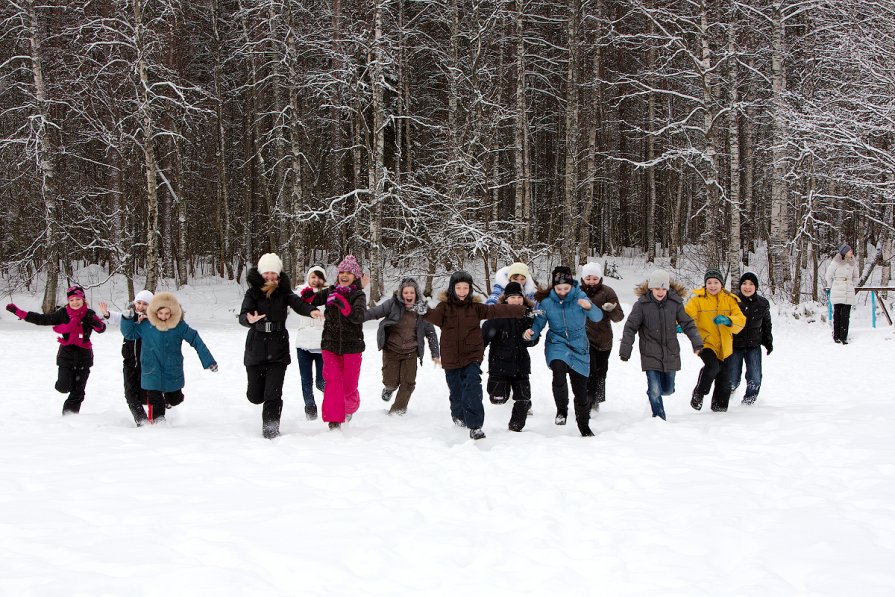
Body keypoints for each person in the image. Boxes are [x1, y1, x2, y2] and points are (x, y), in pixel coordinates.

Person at [423, 270, 525, 440]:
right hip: (451, 358)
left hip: (472, 356)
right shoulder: (444, 308)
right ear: (452, 289)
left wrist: (519, 310)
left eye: (465, 288)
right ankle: (458, 416)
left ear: (470, 289)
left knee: (472, 388)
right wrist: (421, 309)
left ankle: (476, 426)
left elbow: (496, 311)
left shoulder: (476, 308)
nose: (462, 291)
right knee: (456, 393)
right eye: (459, 288)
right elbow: (431, 316)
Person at [240, 253, 322, 438]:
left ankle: (271, 429)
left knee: (273, 393)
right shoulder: (252, 292)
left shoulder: (284, 292)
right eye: (266, 273)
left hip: (278, 348)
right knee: (255, 396)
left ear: (278, 274)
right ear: (261, 274)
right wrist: (248, 318)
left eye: (273, 273)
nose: (270, 277)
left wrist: (312, 311)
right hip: (256, 347)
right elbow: (243, 315)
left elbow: (298, 304)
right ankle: (256, 397)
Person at [524, 266, 604, 437]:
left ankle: (584, 425)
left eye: (566, 289)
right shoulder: (546, 302)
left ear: (571, 286)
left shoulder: (580, 297)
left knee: (580, 388)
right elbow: (538, 324)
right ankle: (562, 410)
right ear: (553, 287)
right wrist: (531, 334)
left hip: (579, 345)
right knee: (558, 372)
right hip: (557, 342)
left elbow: (597, 317)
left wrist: (589, 307)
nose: (562, 292)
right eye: (558, 289)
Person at [6, 285, 106, 415]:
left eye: (77, 299)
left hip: (84, 357)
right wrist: (20, 313)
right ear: (68, 301)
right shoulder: (63, 314)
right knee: (64, 387)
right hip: (66, 357)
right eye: (72, 300)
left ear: (83, 299)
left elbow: (101, 329)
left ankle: (69, 418)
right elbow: (42, 319)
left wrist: (97, 323)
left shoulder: (89, 314)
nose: (75, 302)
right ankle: (65, 388)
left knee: (78, 392)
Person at [618, 270, 703, 420]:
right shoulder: (641, 305)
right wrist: (625, 349)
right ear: (651, 288)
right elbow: (630, 327)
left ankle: (653, 393)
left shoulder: (675, 303)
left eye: (664, 289)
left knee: (668, 389)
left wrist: (696, 342)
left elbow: (687, 323)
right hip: (649, 352)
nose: (660, 292)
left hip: (670, 352)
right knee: (655, 389)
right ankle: (659, 419)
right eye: (657, 288)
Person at [121, 292, 217, 423]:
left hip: (172, 368)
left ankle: (169, 401)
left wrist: (208, 361)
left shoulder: (178, 326)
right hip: (151, 370)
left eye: (167, 314)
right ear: (155, 312)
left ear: (172, 313)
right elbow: (129, 333)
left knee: (175, 399)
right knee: (155, 400)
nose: (163, 317)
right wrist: (126, 319)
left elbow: (195, 339)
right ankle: (159, 425)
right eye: (160, 313)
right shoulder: (146, 325)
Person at [300, 255, 367, 430]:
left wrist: (343, 304)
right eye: (341, 272)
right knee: (333, 383)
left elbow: (359, 316)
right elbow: (313, 299)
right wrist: (307, 295)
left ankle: (350, 406)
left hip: (352, 347)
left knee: (349, 387)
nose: (344, 276)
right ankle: (334, 421)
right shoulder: (330, 291)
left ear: (355, 276)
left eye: (349, 273)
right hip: (330, 345)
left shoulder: (358, 295)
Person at [364, 277, 440, 416]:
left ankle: (397, 411)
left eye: (412, 292)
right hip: (391, 349)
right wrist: (356, 316)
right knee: (391, 380)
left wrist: (435, 354)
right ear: (401, 294)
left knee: (408, 383)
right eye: (406, 293)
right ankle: (389, 388)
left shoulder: (422, 309)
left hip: (411, 352)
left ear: (416, 294)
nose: (409, 296)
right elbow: (374, 313)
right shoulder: (392, 304)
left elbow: (430, 332)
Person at [685, 268, 746, 413]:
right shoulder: (697, 301)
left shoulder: (730, 300)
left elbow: (741, 319)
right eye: (709, 282)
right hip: (704, 342)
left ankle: (719, 410)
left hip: (725, 345)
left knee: (725, 380)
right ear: (705, 284)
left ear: (721, 284)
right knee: (712, 366)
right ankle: (699, 393)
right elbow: (685, 315)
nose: (712, 286)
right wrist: (680, 325)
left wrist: (729, 320)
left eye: (716, 282)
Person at [482, 281, 538, 431]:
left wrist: (530, 337)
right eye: (512, 297)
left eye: (519, 297)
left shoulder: (527, 316)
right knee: (498, 399)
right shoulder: (497, 315)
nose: (516, 300)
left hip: (521, 365)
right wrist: (476, 357)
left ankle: (515, 427)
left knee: (523, 398)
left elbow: (533, 341)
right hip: (500, 365)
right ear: (506, 299)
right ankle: (501, 393)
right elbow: (483, 338)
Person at [98, 290, 154, 426]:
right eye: (138, 303)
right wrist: (107, 314)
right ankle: (142, 421)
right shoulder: (130, 315)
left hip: (147, 364)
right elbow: (118, 318)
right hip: (129, 362)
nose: (140, 306)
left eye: (145, 304)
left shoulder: (154, 319)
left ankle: (157, 414)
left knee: (149, 393)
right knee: (130, 394)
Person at [579, 261, 624, 412]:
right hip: (584, 339)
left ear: (599, 279)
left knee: (601, 371)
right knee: (589, 370)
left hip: (604, 339)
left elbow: (619, 317)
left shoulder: (607, 292)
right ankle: (588, 401)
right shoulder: (577, 292)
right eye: (588, 278)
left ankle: (596, 400)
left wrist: (611, 309)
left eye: (595, 278)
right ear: (583, 279)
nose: (591, 281)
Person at [728, 272, 773, 405]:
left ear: (756, 287)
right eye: (744, 283)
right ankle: (729, 392)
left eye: (751, 284)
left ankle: (748, 404)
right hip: (734, 346)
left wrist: (768, 342)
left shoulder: (762, 303)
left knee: (755, 378)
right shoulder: (733, 301)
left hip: (754, 346)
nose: (747, 287)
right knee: (732, 379)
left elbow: (766, 324)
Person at [294, 265, 327, 419]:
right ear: (308, 278)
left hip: (322, 346)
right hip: (303, 345)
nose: (316, 280)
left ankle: (335, 401)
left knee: (322, 381)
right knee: (306, 380)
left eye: (319, 277)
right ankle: (310, 406)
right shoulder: (300, 295)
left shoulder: (329, 296)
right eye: (313, 277)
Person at [825, 244, 859, 344]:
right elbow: (828, 275)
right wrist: (834, 285)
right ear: (844, 252)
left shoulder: (853, 262)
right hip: (837, 290)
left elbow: (856, 276)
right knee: (837, 314)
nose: (851, 252)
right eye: (849, 250)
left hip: (848, 290)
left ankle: (844, 337)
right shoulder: (836, 261)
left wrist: (852, 284)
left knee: (846, 315)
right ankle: (836, 336)